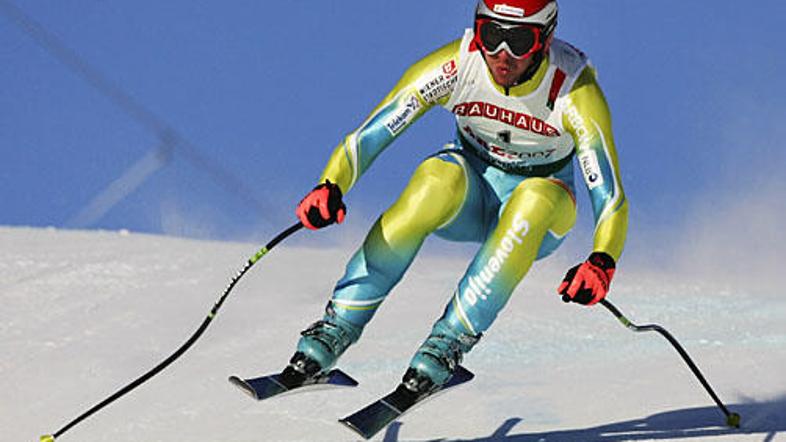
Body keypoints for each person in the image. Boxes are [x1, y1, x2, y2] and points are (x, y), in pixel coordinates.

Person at [286, 0, 628, 395]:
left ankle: (447, 344)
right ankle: (336, 328)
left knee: (532, 198)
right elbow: (370, 134)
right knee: (435, 177)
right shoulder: (458, 66)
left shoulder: (573, 90)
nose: (503, 54)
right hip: (471, 197)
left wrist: (601, 262)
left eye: (520, 40)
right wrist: (330, 185)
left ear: (545, 40)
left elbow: (610, 195)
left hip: (542, 213)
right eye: (491, 35)